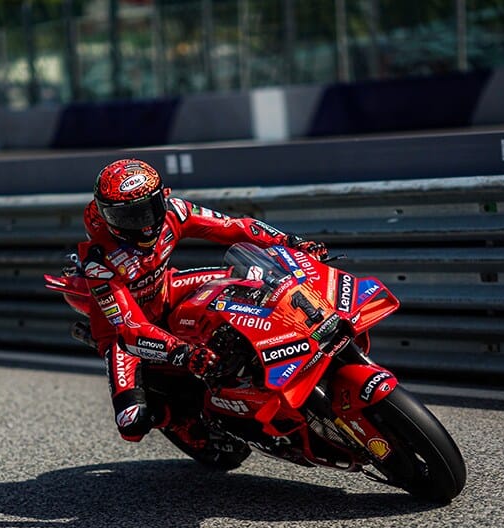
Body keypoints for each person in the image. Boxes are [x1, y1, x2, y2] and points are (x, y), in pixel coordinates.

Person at [73, 158, 327, 443]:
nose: (144, 226)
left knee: (251, 281)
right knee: (131, 422)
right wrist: (184, 352)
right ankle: (176, 419)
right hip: (123, 332)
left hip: (166, 289)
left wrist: (290, 243)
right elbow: (130, 328)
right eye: (130, 218)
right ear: (108, 218)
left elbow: (234, 227)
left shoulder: (176, 212)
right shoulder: (99, 260)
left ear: (162, 197)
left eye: (148, 211)